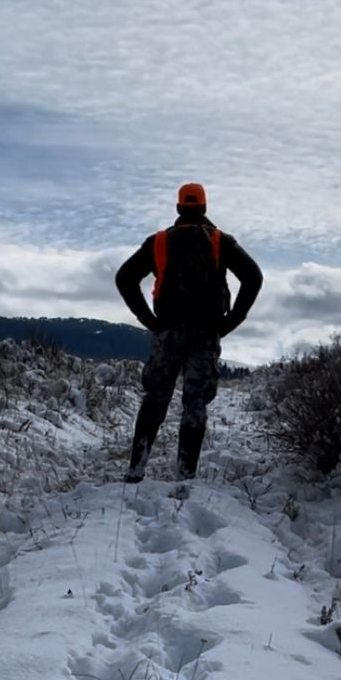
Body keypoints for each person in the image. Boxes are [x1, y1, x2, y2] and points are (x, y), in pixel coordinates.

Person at [115, 182, 263, 482]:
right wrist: (233, 320)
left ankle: (136, 469)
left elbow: (125, 278)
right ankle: (185, 475)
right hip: (206, 333)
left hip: (167, 331)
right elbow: (253, 277)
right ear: (204, 208)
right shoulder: (221, 241)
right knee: (194, 403)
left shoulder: (158, 242)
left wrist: (147, 319)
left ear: (179, 208)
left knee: (156, 397)